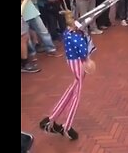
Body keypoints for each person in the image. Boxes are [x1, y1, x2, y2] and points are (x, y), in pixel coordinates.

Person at [39, 10, 97, 140]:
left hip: (71, 62)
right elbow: (84, 53)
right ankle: (67, 126)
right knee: (76, 95)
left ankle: (51, 119)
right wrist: (88, 60)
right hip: (79, 64)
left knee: (72, 90)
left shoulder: (67, 33)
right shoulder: (77, 37)